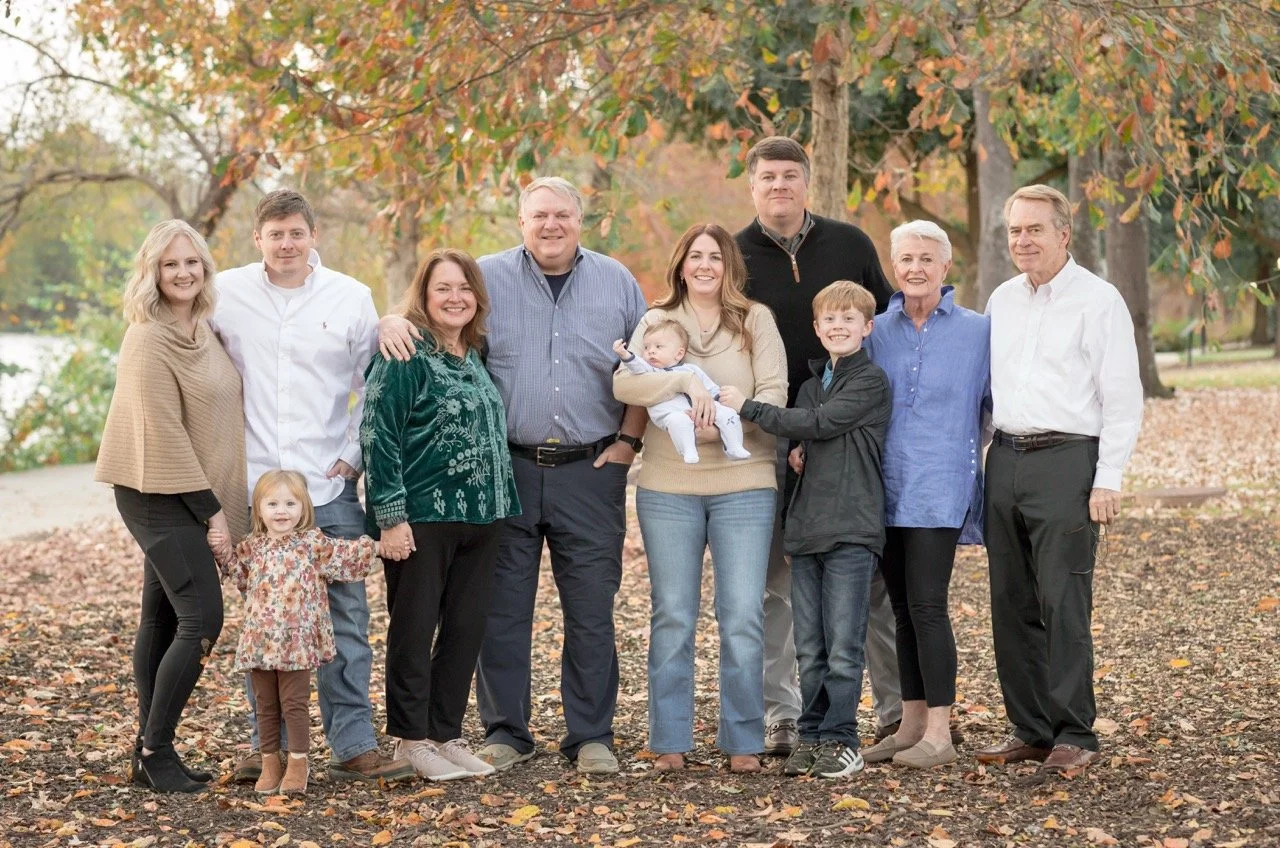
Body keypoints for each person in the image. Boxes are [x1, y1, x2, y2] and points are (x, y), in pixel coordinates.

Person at [379, 177, 647, 774]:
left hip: (592, 468)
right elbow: (434, 319)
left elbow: (648, 365)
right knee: (497, 609)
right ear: (520, 221)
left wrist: (630, 441)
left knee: (591, 608)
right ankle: (506, 731)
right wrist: (385, 323)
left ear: (582, 219)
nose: (550, 226)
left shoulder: (618, 281)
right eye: (538, 216)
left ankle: (591, 735)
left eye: (562, 215)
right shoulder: (487, 279)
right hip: (506, 472)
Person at [212, 189, 414, 784]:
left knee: (346, 620)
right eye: (275, 234)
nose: (286, 244)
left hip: (328, 489)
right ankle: (267, 748)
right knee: (265, 622)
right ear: (258, 238)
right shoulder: (226, 294)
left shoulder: (349, 298)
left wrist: (352, 456)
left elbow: (370, 385)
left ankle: (353, 744)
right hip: (255, 487)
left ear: (313, 235)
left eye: (296, 233)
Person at [733, 136, 902, 752]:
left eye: (790, 176)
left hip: (850, 429)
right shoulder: (734, 253)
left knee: (868, 583)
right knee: (783, 578)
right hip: (771, 431)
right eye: (768, 177)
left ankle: (890, 712)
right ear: (752, 185)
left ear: (807, 182)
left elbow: (888, 320)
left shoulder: (849, 243)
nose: (779, 186)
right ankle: (785, 713)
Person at [977, 184, 1143, 775]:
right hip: (1006, 459)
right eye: (1015, 230)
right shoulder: (1001, 299)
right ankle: (1032, 728)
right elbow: (988, 393)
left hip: (1068, 461)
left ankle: (1076, 731)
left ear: (1063, 233)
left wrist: (1109, 478)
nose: (1023, 240)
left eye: (1035, 229)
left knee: (1063, 599)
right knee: (1010, 600)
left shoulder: (1098, 300)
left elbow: (1122, 396)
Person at [614, 223, 787, 774]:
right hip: (669, 487)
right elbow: (626, 384)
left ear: (729, 264)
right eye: (696, 256)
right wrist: (685, 386)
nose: (705, 265)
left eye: (716, 256)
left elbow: (775, 392)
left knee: (741, 615)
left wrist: (729, 421)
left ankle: (743, 739)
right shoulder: (657, 320)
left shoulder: (755, 319)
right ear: (681, 264)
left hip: (745, 482)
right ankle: (669, 739)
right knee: (673, 615)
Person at [95, 219, 248, 793]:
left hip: (190, 489)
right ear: (152, 272)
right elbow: (162, 431)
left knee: (161, 615)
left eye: (192, 262)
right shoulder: (148, 336)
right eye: (169, 264)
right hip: (155, 492)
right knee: (203, 618)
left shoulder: (203, 327)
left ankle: (149, 752)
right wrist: (215, 517)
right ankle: (157, 747)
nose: (183, 273)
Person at [721, 280, 891, 778]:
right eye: (829, 321)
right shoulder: (812, 386)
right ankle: (814, 734)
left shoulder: (869, 382)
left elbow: (821, 423)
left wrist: (747, 406)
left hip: (852, 529)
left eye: (848, 319)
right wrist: (793, 523)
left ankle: (844, 738)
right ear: (816, 329)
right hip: (809, 530)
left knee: (843, 645)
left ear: (867, 327)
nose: (838, 327)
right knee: (810, 646)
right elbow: (803, 438)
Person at [362, 249, 521, 781]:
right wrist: (389, 515)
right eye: (442, 289)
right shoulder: (405, 351)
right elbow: (378, 433)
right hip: (421, 518)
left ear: (476, 296)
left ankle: (445, 734)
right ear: (424, 298)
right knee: (414, 627)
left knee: (464, 628)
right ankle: (411, 741)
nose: (455, 298)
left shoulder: (473, 354)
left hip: (483, 516)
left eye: (464, 288)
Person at [859, 221, 991, 769]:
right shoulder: (875, 331)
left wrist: (961, 449)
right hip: (882, 485)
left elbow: (992, 406)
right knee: (902, 610)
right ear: (894, 265)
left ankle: (940, 730)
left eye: (926, 259)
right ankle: (911, 724)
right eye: (906, 258)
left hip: (940, 485)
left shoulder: (979, 331)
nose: (915, 268)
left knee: (929, 605)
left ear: (946, 266)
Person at [210, 470, 387, 795]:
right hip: (260, 644)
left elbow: (345, 557)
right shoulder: (253, 547)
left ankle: (298, 762)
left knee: (294, 704)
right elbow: (240, 575)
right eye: (273, 503)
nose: (281, 511)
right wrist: (222, 551)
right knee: (265, 704)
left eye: (290, 503)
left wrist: (376, 546)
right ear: (259, 509)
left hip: (297, 645)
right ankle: (270, 761)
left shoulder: (312, 544)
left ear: (303, 508)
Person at [613, 322, 751, 463]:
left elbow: (708, 386)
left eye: (658, 347)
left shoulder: (691, 370)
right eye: (646, 347)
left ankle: (734, 446)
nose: (651, 351)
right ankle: (688, 450)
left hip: (703, 409)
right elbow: (637, 365)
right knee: (678, 422)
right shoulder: (650, 372)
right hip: (673, 414)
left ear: (679, 354)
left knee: (728, 414)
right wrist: (625, 355)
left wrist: (718, 397)